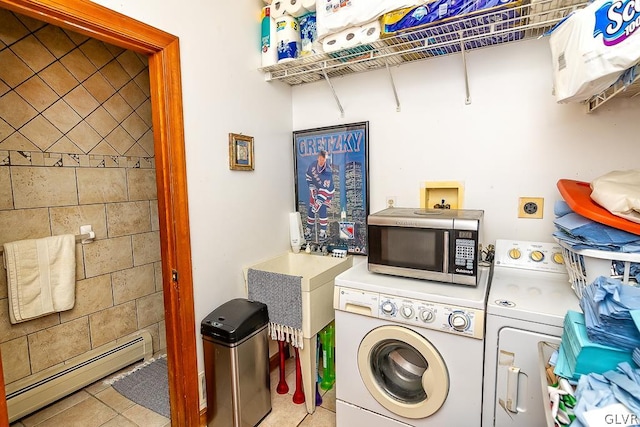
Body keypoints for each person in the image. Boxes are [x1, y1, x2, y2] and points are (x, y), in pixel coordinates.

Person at [305, 150, 334, 241]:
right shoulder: (313, 165)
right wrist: (311, 187)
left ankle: (323, 232)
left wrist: (318, 202)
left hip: (327, 192)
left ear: (325, 160)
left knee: (321, 208)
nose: (321, 161)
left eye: (323, 160)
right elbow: (308, 176)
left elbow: (325, 190)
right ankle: (309, 229)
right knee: (311, 209)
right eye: (320, 159)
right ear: (318, 158)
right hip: (316, 189)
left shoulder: (328, 171)